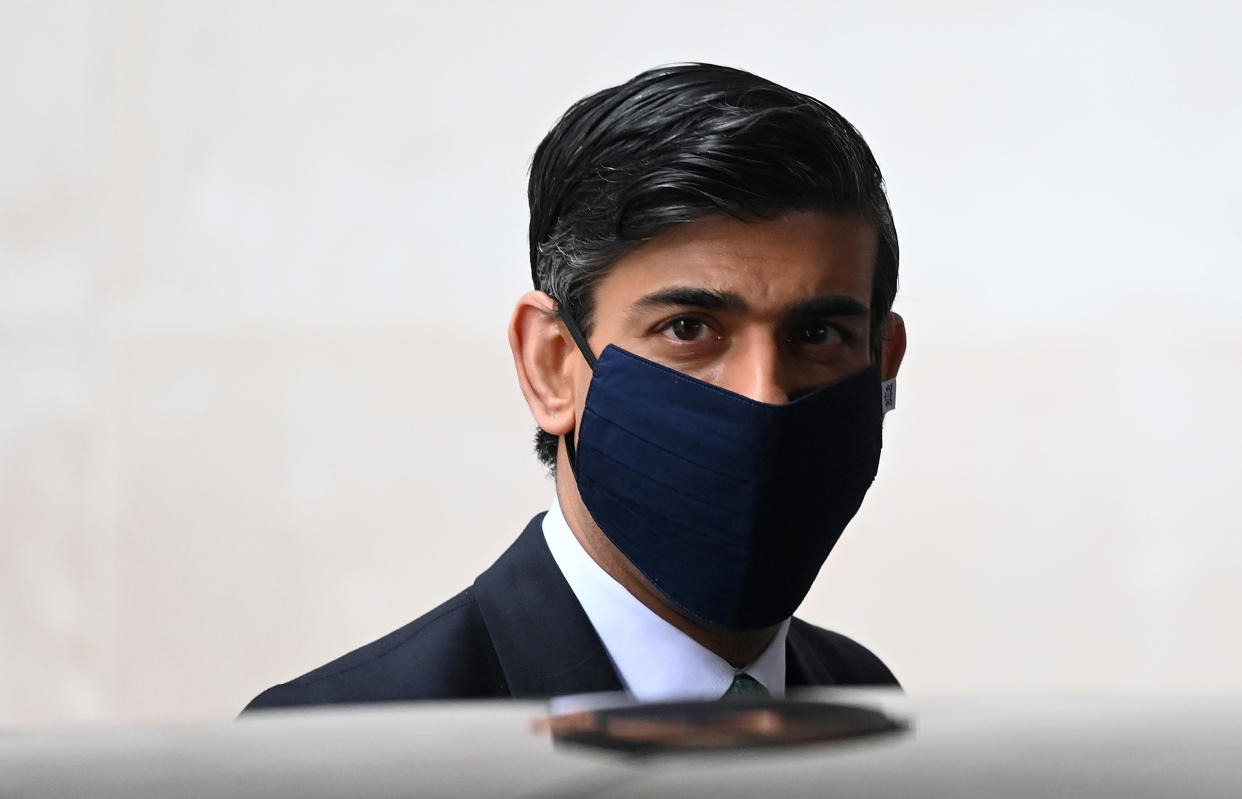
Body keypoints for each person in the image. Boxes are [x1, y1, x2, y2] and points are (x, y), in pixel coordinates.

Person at [244, 62, 907, 711]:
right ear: (551, 364)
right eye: (688, 327)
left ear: (884, 363)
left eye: (818, 335)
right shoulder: (333, 749)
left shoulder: (871, 702)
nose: (764, 395)